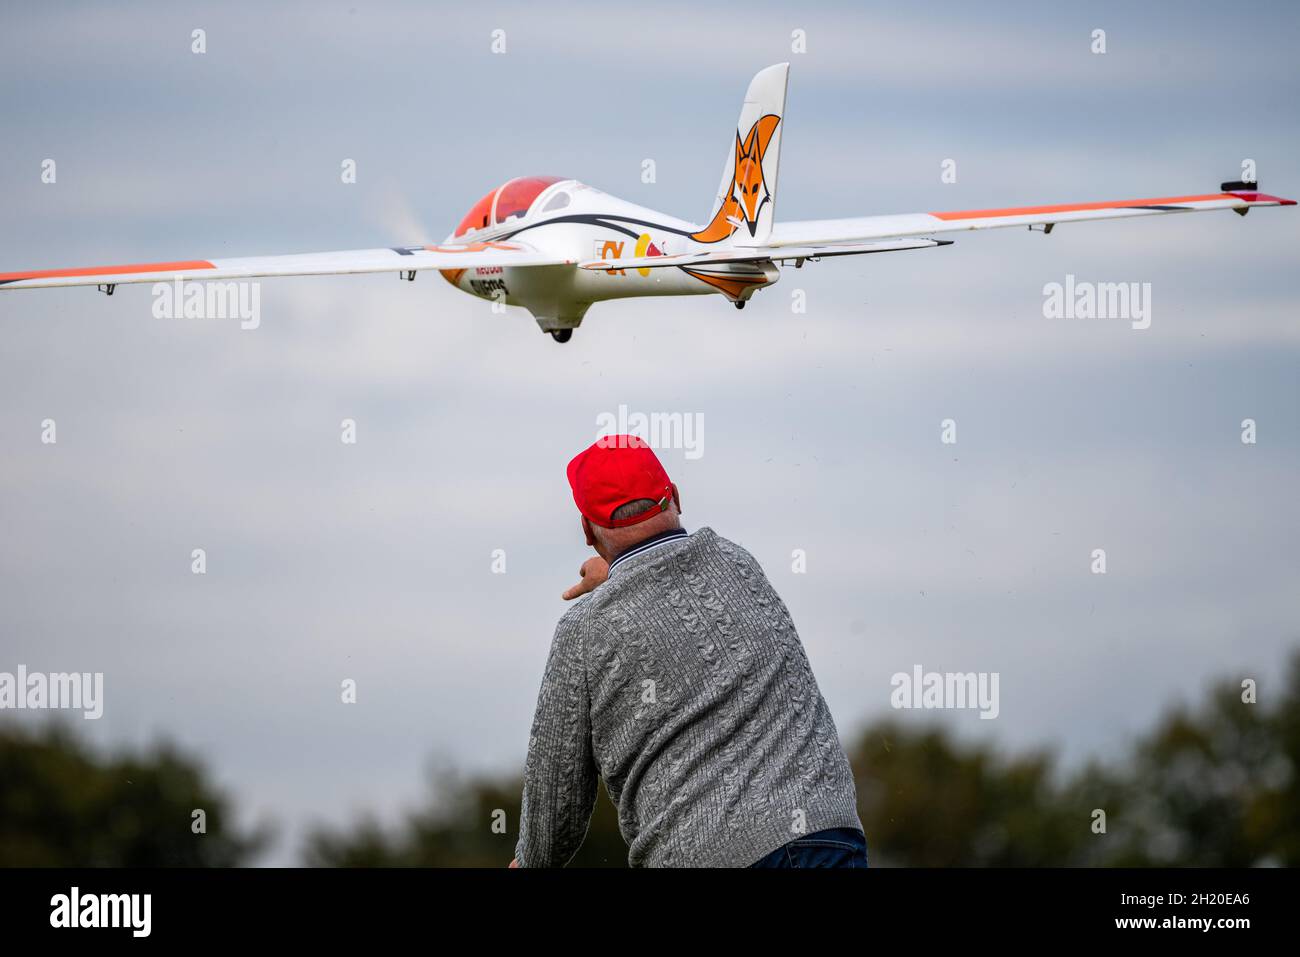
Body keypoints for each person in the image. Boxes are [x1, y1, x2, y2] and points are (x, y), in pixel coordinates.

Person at [510, 435, 866, 868]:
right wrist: (619, 577)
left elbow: (556, 802)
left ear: (586, 530)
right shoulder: (737, 563)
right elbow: (673, 584)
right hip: (825, 835)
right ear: (675, 495)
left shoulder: (583, 630)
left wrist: (530, 861)